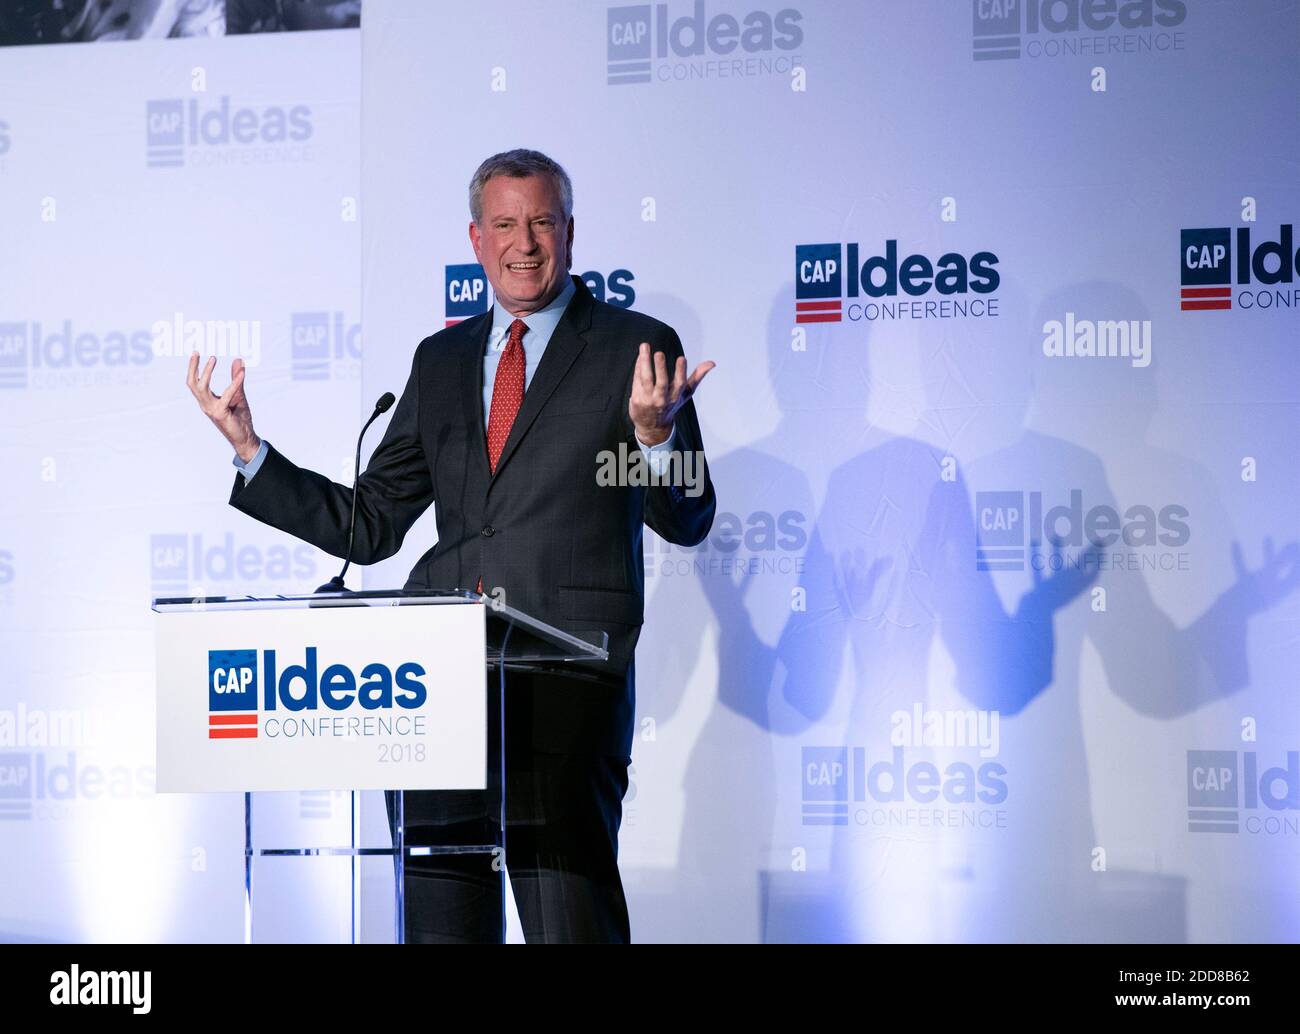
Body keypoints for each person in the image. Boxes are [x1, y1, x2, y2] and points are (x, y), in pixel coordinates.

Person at [186, 148, 716, 942]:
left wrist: (651, 438)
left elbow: (688, 517)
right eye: (505, 224)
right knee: (441, 930)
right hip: (435, 694)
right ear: (476, 239)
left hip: (568, 691)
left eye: (541, 222)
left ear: (571, 232)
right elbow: (370, 527)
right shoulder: (440, 361)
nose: (524, 243)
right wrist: (253, 453)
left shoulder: (633, 347)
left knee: (574, 928)